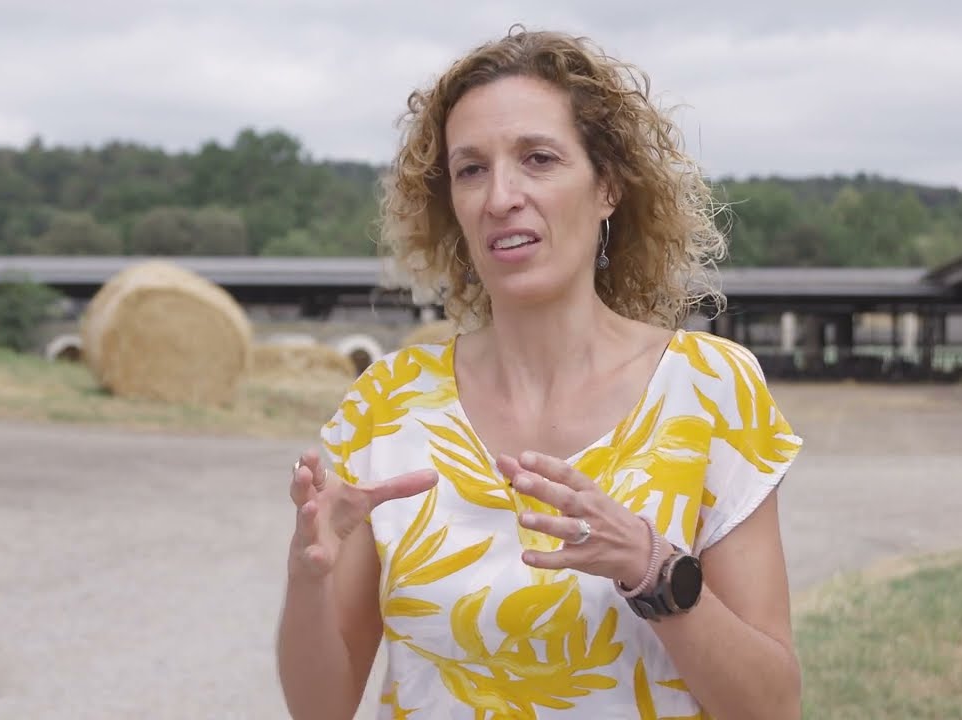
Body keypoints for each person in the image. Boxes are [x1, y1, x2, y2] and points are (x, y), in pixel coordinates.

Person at [276, 27, 804, 720]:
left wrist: (652, 568)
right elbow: (320, 710)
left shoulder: (709, 389)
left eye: (538, 159)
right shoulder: (388, 401)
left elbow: (773, 707)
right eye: (471, 169)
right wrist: (306, 577)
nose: (501, 196)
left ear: (608, 185)